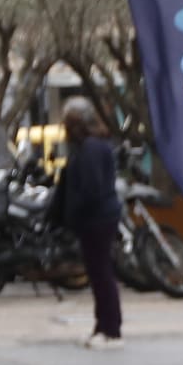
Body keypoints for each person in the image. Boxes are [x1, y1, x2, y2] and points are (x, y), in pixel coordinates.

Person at [51, 99, 123, 349]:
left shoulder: (90, 148)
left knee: (101, 274)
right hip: (96, 218)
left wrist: (76, 210)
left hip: (97, 219)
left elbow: (91, 188)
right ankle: (102, 327)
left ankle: (111, 331)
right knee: (97, 274)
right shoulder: (89, 146)